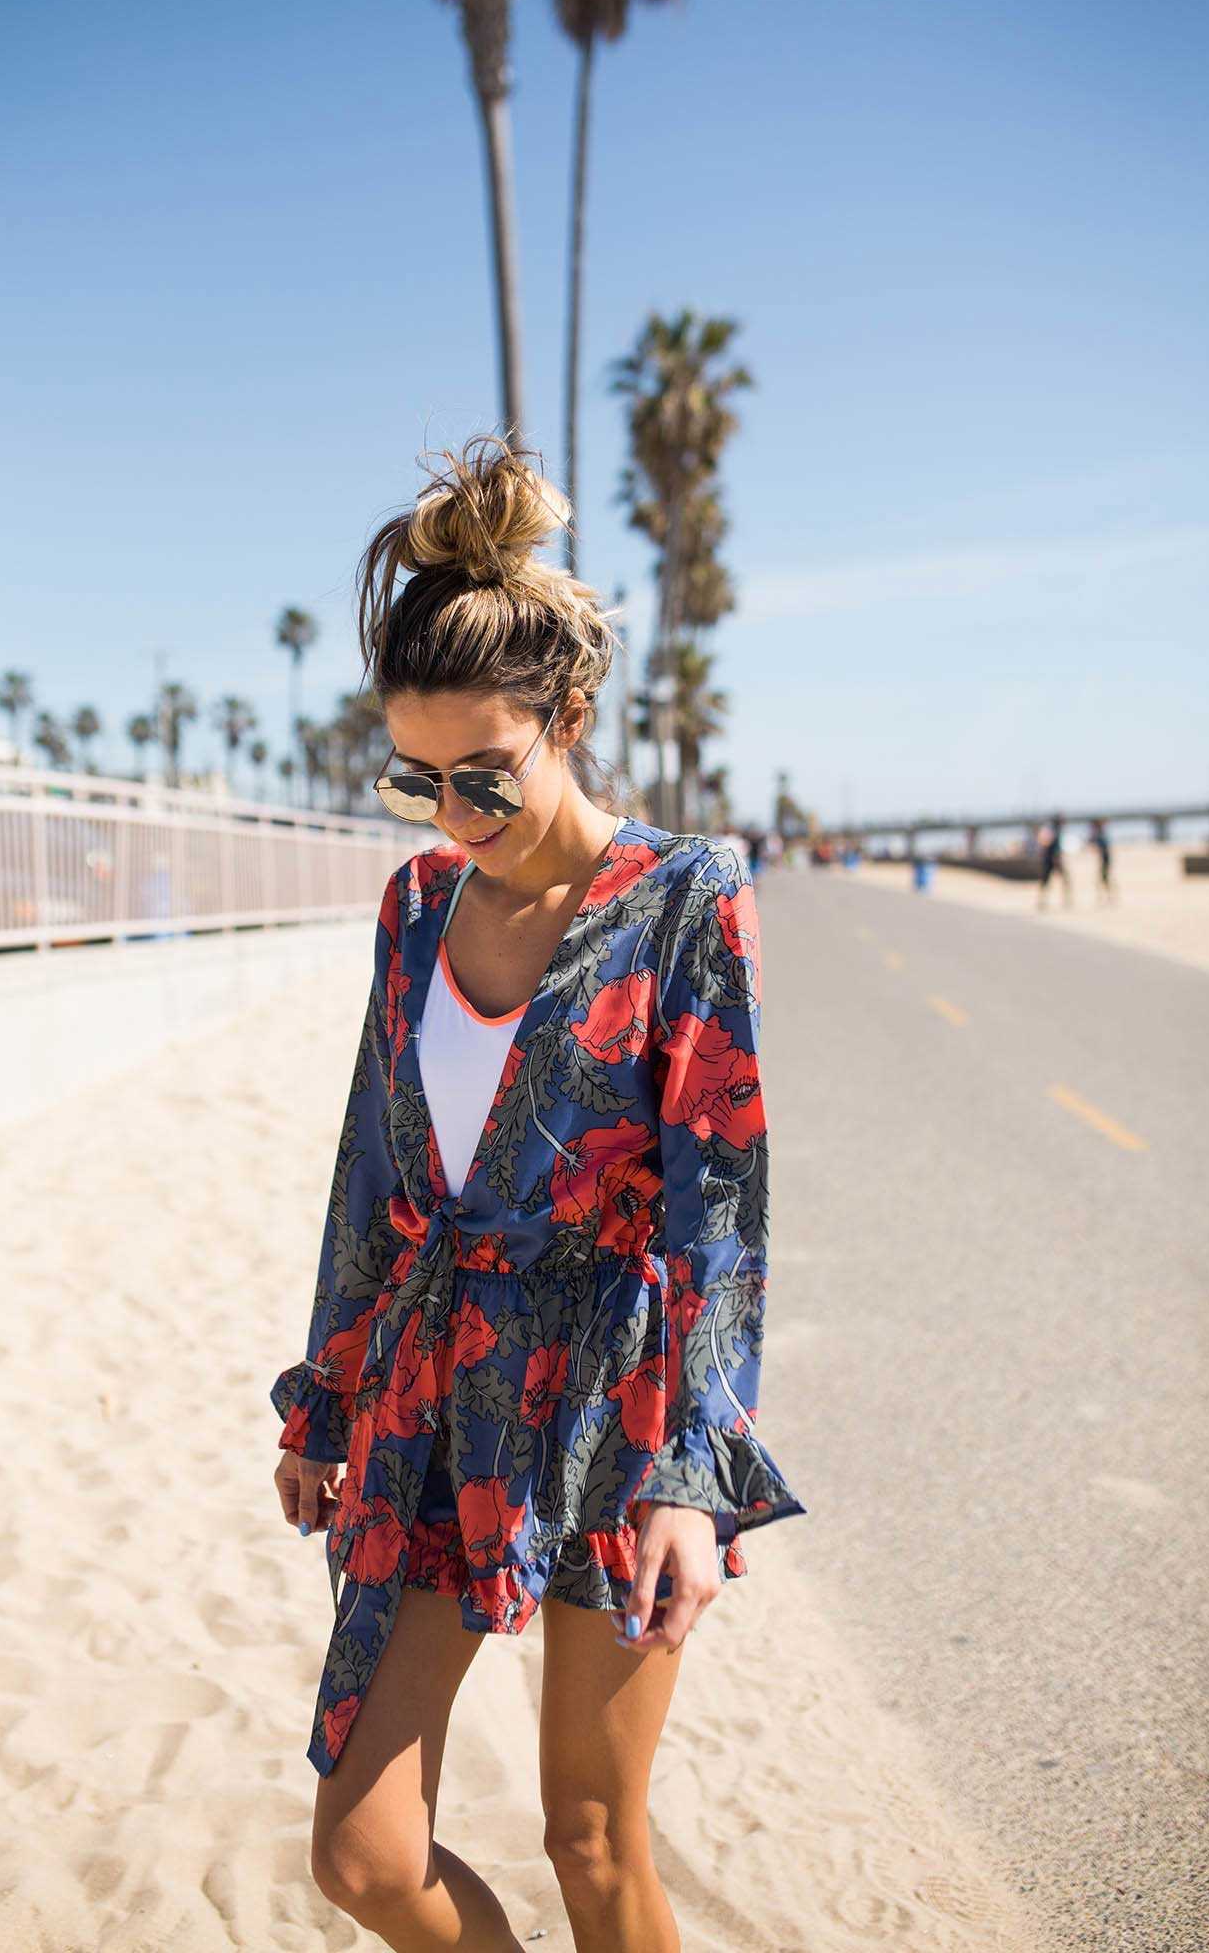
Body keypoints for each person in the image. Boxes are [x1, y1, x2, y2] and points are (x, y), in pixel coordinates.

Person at [269, 433, 806, 1950]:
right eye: (414, 780)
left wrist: (691, 1478)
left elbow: (719, 1205)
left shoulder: (684, 897)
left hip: (613, 1407)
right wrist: (325, 1394)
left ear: (568, 718)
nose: (452, 813)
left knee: (590, 1838)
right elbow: (371, 1167)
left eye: (483, 777)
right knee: (363, 1854)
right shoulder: (415, 907)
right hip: (432, 1397)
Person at [1037, 813, 1071, 909]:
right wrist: (1056, 858)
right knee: (1058, 880)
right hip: (1053, 859)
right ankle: (1064, 900)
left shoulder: (1052, 830)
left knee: (1048, 881)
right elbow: (1048, 845)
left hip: (1050, 859)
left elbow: (1045, 843)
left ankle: (1044, 901)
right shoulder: (1054, 830)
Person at [1089, 817, 1116, 904]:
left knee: (1104, 879)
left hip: (1105, 860)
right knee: (1103, 879)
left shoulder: (1099, 834)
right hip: (1104, 859)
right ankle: (1105, 897)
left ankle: (1107, 897)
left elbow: (1097, 846)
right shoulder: (1100, 834)